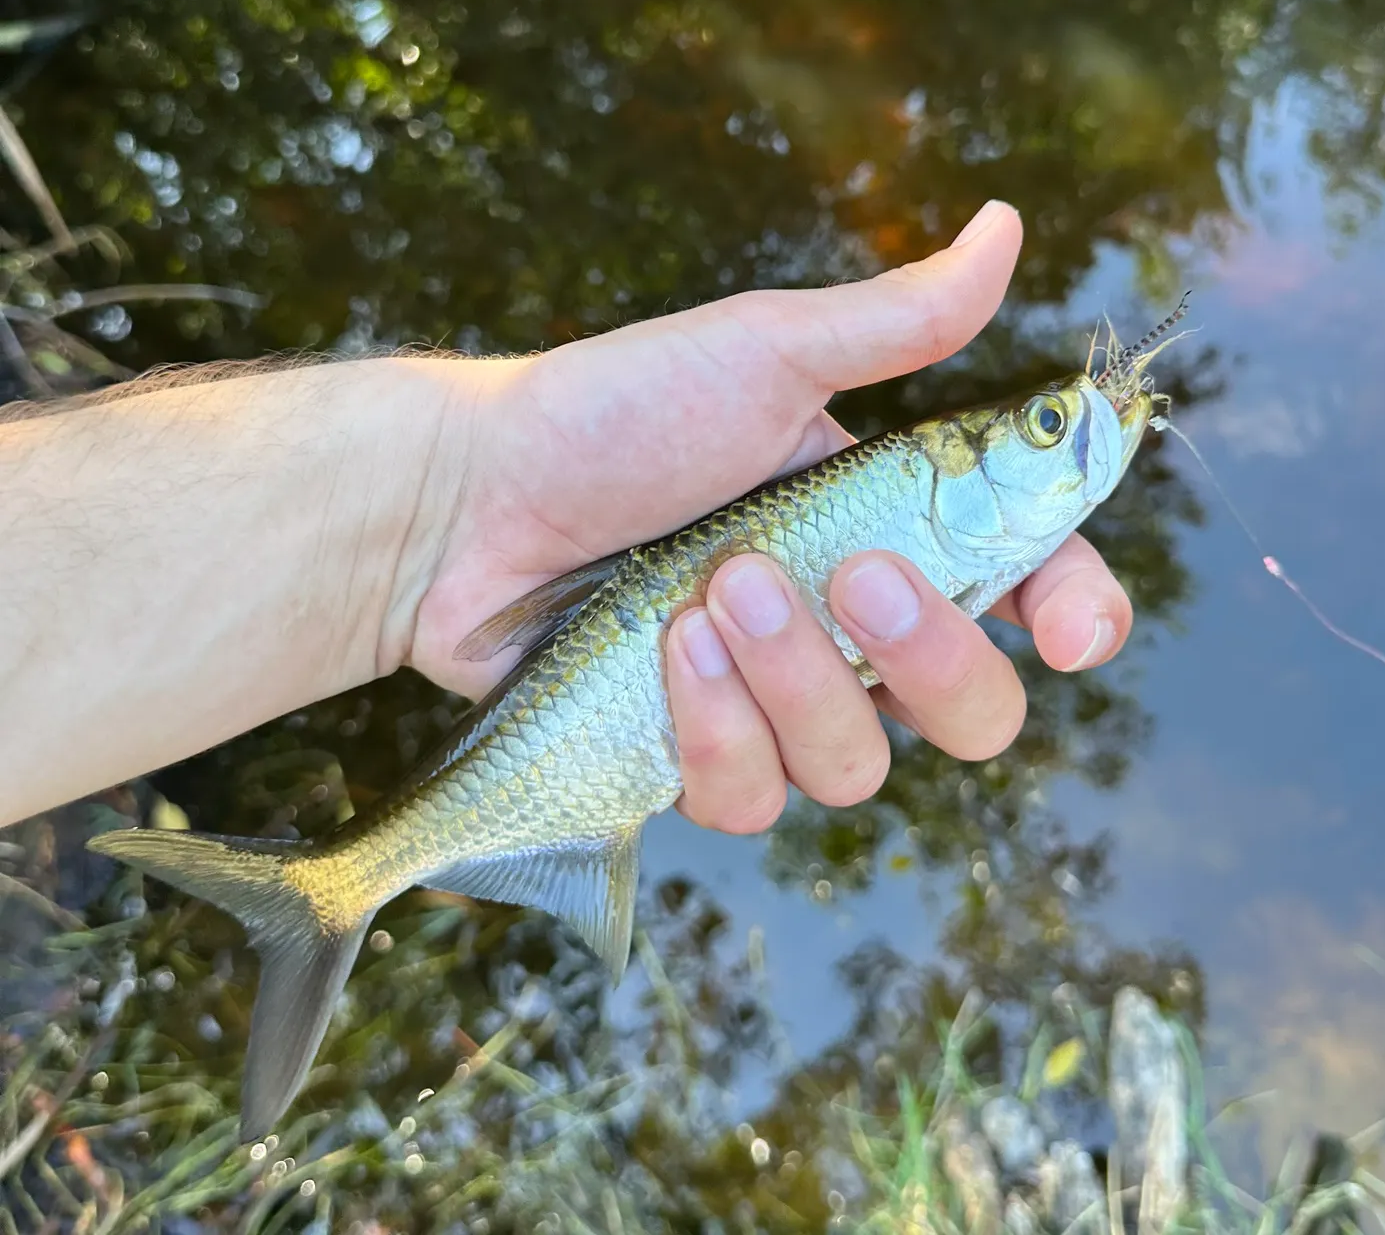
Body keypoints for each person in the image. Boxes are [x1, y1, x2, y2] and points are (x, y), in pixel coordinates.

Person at [0, 201, 1133, 831]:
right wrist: (436, 502)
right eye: (1047, 426)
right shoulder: (933, 506)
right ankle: (349, 887)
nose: (1071, 427)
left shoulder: (947, 513)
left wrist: (435, 505)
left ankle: (363, 880)